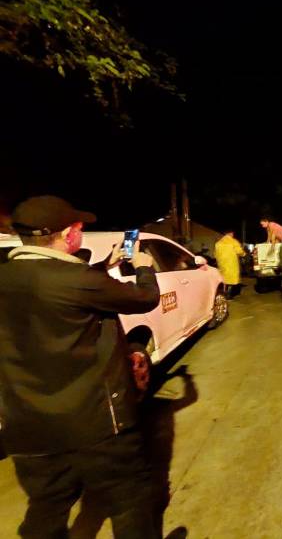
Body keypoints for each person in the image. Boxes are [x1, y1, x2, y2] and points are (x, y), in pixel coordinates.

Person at [0, 196, 161, 538]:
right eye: (79, 228)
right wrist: (144, 268)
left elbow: (55, 297)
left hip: (28, 426)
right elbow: (144, 299)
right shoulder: (77, 278)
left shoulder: (9, 276)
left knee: (46, 508)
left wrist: (103, 265)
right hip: (97, 423)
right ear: (68, 234)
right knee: (130, 499)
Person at [214, 230, 246, 299]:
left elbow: (215, 254)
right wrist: (244, 254)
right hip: (231, 263)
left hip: (222, 263)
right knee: (232, 278)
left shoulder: (218, 243)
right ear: (231, 233)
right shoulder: (233, 241)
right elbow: (239, 251)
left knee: (224, 278)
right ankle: (229, 294)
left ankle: (223, 292)